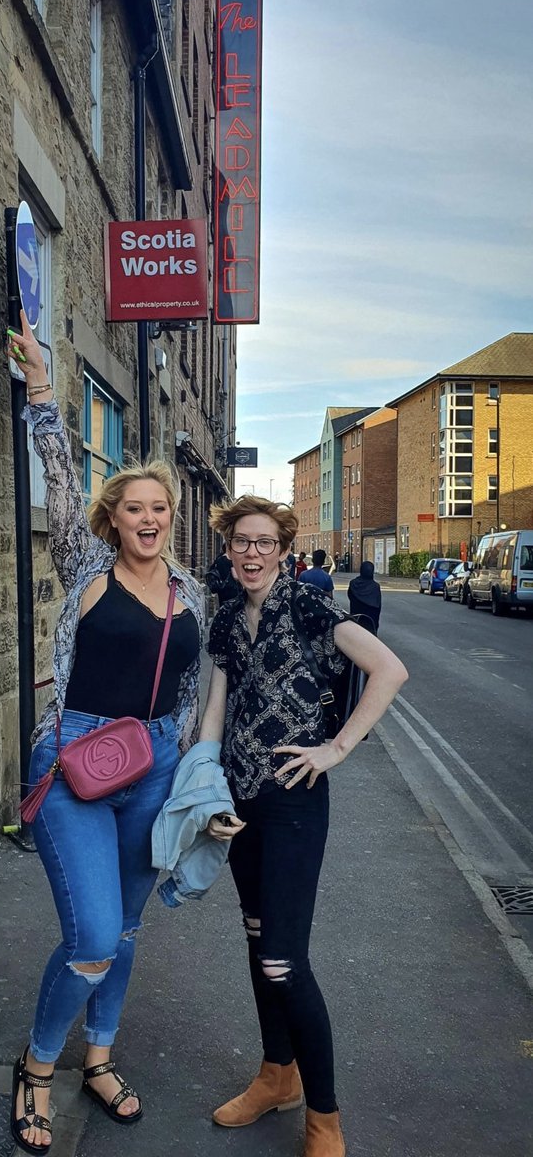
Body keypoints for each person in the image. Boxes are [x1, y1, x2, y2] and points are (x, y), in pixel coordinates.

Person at [6, 313, 204, 1155]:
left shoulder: (194, 589)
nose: (149, 518)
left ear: (171, 517)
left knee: (125, 930)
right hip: (79, 757)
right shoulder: (87, 571)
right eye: (135, 508)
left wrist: (200, 772)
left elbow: (201, 683)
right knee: (90, 933)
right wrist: (44, 390)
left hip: (155, 763)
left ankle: (100, 1057)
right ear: (112, 519)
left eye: (161, 507)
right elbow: (55, 473)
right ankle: (38, 1067)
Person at [198, 494, 407, 1157]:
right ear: (229, 551)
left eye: (263, 542)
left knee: (285, 958)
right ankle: (275, 1075)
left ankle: (324, 1117)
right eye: (241, 542)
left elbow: (389, 669)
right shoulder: (228, 616)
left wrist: (334, 750)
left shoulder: (310, 608)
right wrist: (206, 786)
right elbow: (216, 706)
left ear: (283, 552)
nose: (251, 553)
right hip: (240, 799)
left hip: (293, 802)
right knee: (258, 940)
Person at [347, 561, 382, 632]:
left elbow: (350, 596)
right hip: (371, 620)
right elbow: (378, 604)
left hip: (356, 616)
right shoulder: (375, 586)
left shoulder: (353, 583)